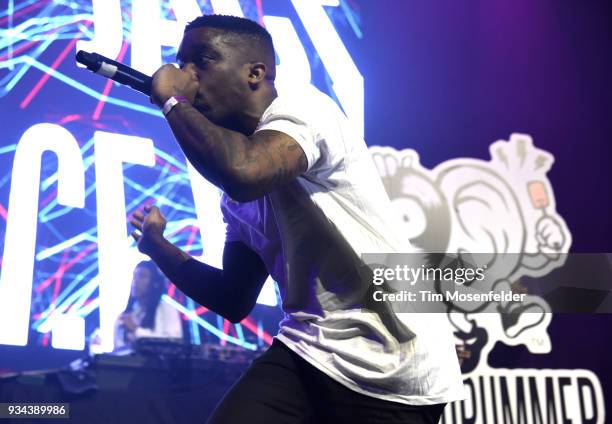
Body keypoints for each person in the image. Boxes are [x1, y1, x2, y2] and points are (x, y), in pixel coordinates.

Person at [130, 14, 465, 423]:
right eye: (181, 64)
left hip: (393, 366)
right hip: (309, 350)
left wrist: (173, 101)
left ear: (256, 72)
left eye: (202, 60)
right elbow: (233, 299)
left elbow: (246, 172)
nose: (186, 75)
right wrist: (156, 247)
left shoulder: (304, 110)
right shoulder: (236, 195)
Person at [113, 260, 183, 351]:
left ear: (154, 283)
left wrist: (136, 329)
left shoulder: (166, 308)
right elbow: (118, 348)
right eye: (134, 276)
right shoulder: (126, 315)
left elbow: (174, 339)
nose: (136, 281)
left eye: (142, 276)